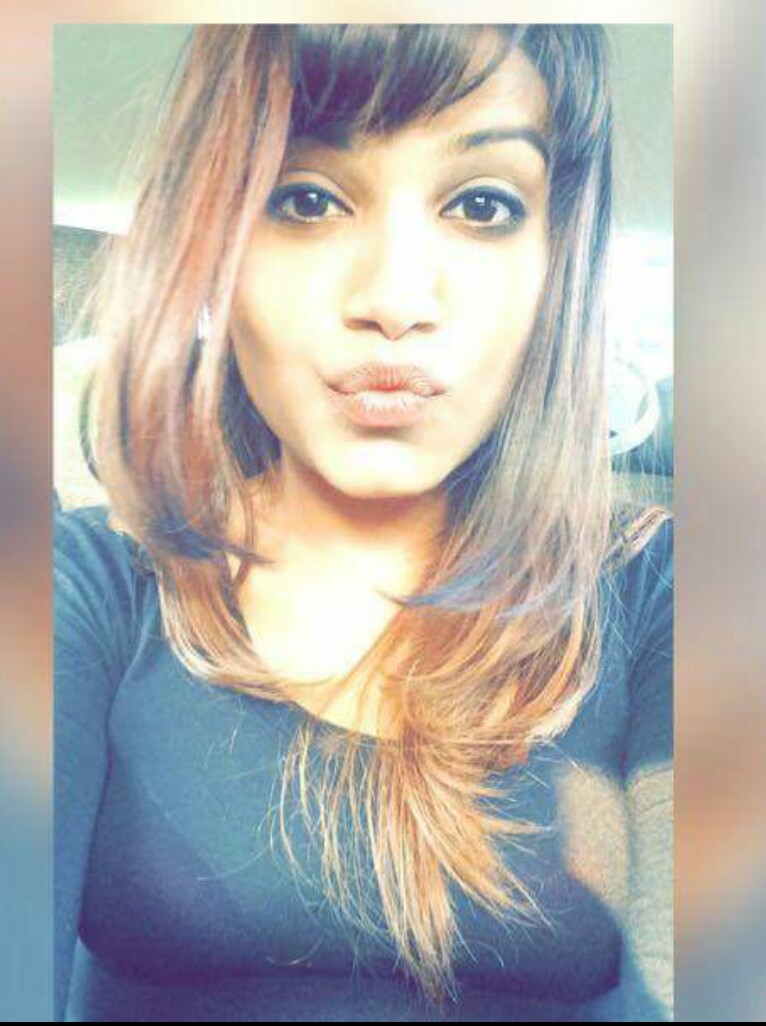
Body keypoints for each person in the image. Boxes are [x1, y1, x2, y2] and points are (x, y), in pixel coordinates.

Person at [54, 24, 674, 1022]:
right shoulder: (83, 591)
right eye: (307, 199)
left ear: (555, 259)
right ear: (215, 244)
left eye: (482, 205)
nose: (394, 299)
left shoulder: (663, 598)